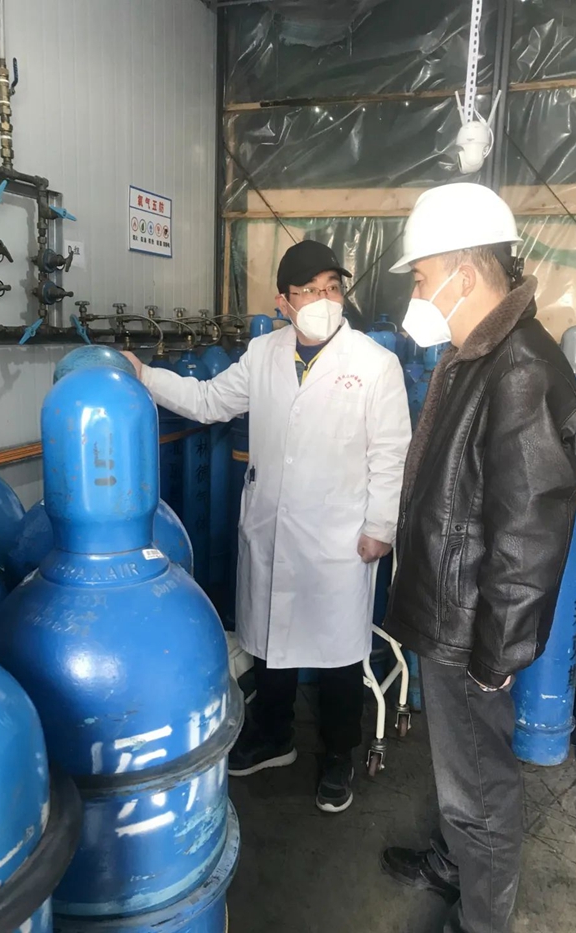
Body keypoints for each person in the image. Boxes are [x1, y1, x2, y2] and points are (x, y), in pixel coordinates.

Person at [122, 239, 411, 813]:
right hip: (272, 524)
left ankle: (338, 755)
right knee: (273, 643)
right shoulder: (264, 353)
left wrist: (381, 525)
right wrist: (146, 376)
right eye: (309, 291)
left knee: (337, 653)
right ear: (283, 301)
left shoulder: (375, 364)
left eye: (333, 288)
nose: (324, 300)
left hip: (339, 537)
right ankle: (275, 736)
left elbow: (391, 453)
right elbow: (208, 400)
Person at [380, 184, 576, 932]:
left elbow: (529, 534)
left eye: (422, 277)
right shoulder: (477, 357)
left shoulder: (522, 368)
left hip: (473, 632)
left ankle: (482, 919)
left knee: (480, 788)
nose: (417, 293)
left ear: (464, 275)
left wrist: (496, 653)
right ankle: (454, 862)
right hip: (451, 611)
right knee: (458, 770)